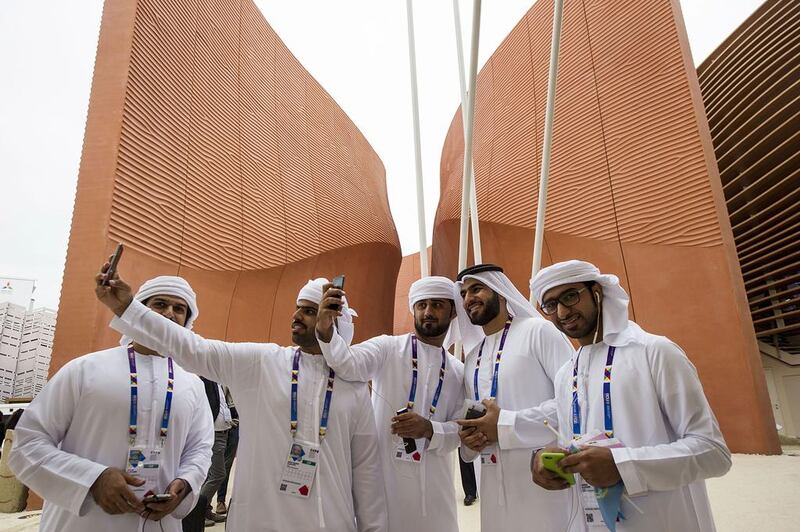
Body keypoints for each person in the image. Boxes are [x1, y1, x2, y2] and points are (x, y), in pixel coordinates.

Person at [97, 266, 388, 532]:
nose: (297, 316)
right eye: (298, 308)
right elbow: (194, 349)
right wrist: (129, 308)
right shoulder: (263, 362)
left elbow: (366, 471)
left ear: (333, 324)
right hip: (258, 521)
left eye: (310, 311)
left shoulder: (353, 385)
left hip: (331, 522)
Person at [480, 260, 732, 531]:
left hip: (662, 520)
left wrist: (624, 466)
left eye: (570, 296)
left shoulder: (655, 352)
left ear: (597, 293)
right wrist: (549, 460)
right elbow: (575, 443)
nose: (563, 311)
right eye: (551, 305)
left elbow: (713, 452)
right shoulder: (567, 373)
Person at [9, 276, 214, 531]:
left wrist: (185, 484)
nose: (170, 314)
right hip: (82, 523)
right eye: (160, 304)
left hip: (158, 522)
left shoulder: (192, 384)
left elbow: (200, 449)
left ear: (187, 322)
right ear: (139, 311)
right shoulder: (85, 369)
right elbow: (28, 443)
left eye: (179, 309)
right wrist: (93, 479)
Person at [316, 276, 465, 532]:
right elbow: (348, 363)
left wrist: (430, 429)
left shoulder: (458, 372)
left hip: (434, 492)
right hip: (385, 485)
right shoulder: (388, 348)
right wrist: (325, 328)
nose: (428, 312)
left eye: (437, 305)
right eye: (422, 305)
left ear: (453, 312)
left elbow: (461, 430)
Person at [453, 264, 573, 531]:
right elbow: (477, 420)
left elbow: (574, 400)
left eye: (476, 289)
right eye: (463, 294)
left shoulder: (539, 332)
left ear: (500, 291)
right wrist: (470, 441)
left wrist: (507, 424)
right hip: (493, 485)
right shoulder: (472, 357)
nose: (468, 298)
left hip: (542, 481)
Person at [198, 379, 233, 525]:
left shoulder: (218, 380)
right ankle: (197, 512)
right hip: (214, 431)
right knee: (219, 474)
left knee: (211, 474)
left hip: (224, 429)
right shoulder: (204, 379)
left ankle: (205, 511)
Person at [215, 386, 238, 516]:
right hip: (225, 424)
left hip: (237, 423)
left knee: (227, 465)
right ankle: (219, 501)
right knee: (219, 466)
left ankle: (222, 500)